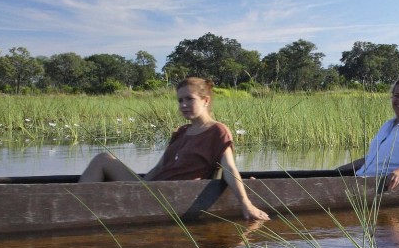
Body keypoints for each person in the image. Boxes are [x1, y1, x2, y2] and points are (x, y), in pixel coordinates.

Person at [79, 76, 270, 222]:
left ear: (205, 101)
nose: (184, 105)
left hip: (173, 194)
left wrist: (247, 204)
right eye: (180, 100)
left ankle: (78, 210)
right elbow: (160, 167)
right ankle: (76, 204)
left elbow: (229, 169)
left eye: (189, 99)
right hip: (154, 189)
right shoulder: (181, 132)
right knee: (103, 159)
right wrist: (139, 188)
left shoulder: (217, 131)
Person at [337, 75, 399, 191]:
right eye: (397, 96)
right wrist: (344, 168)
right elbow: (375, 158)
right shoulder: (388, 125)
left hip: (378, 187)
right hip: (359, 182)